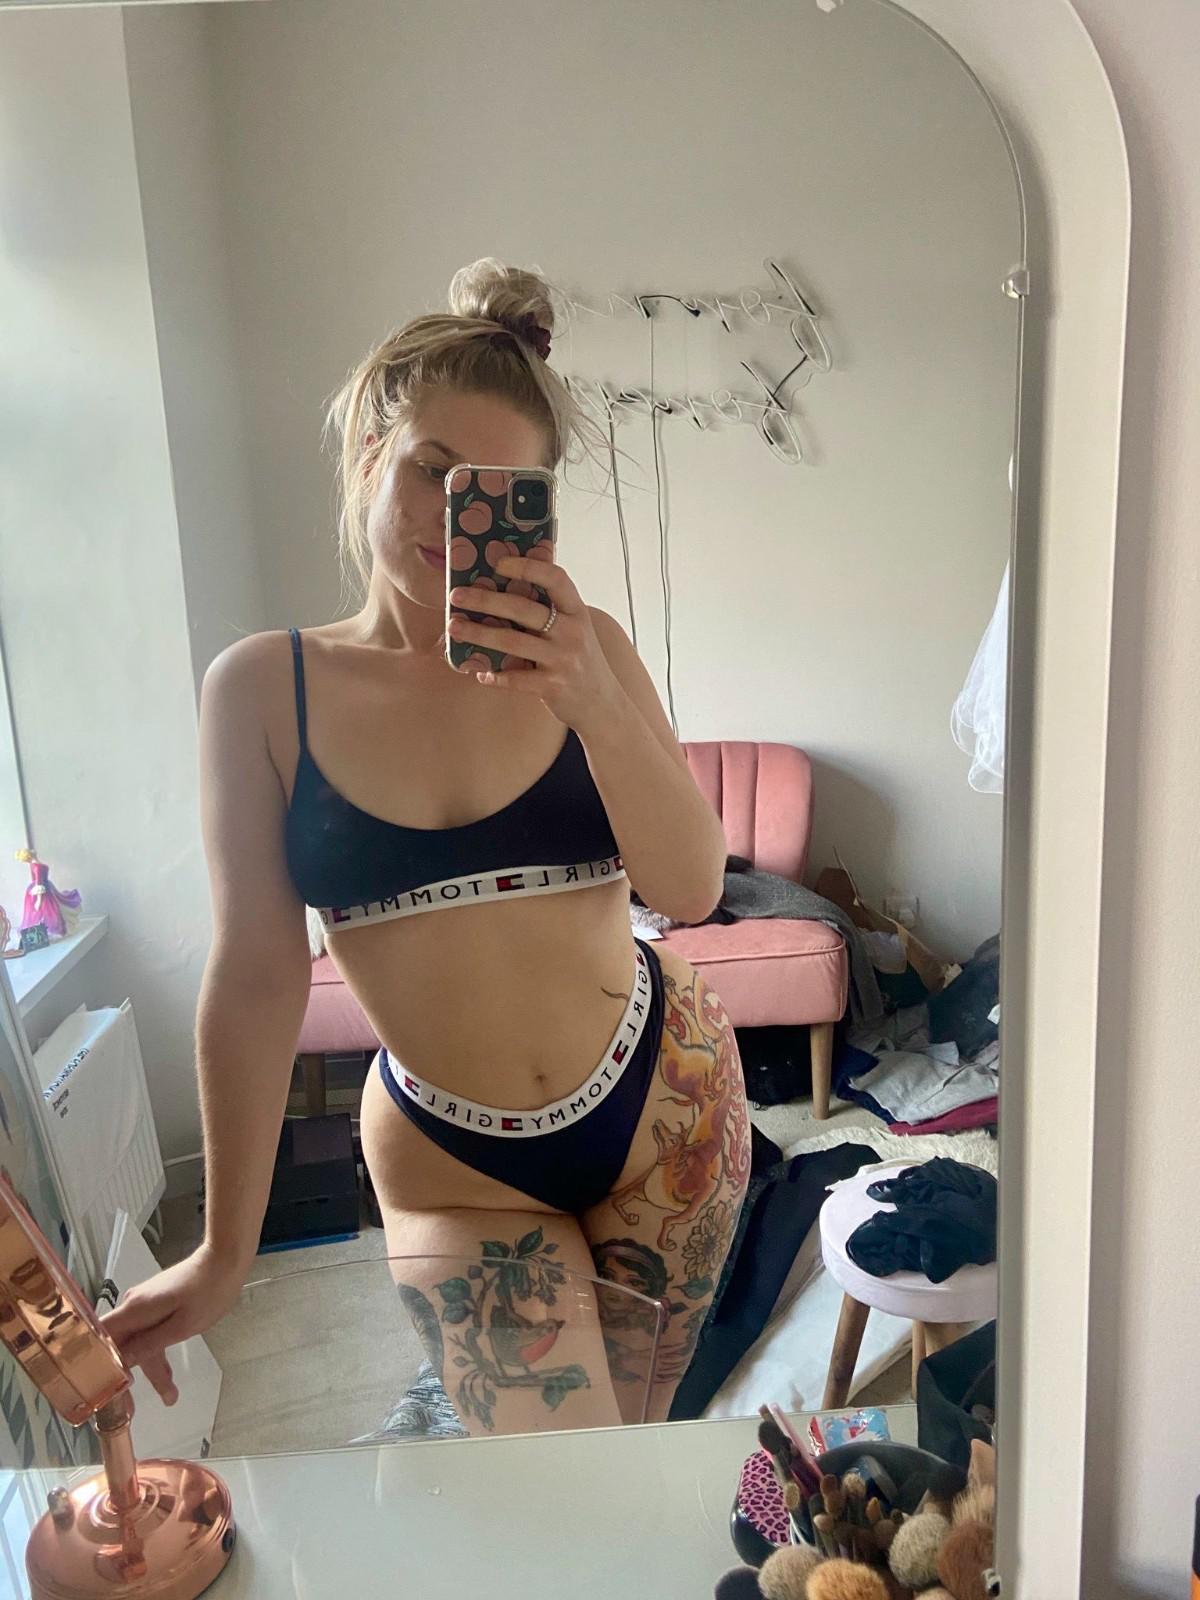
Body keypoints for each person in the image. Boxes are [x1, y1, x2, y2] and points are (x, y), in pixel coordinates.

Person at [103, 259, 751, 1434]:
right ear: (369, 452)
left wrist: (594, 703)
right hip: (457, 1164)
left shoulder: (589, 646)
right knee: (558, 1480)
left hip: (664, 1101)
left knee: (637, 1444)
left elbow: (692, 884)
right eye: (430, 470)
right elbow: (254, 975)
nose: (452, 519)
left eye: (499, 491)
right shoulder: (262, 692)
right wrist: (223, 1249)